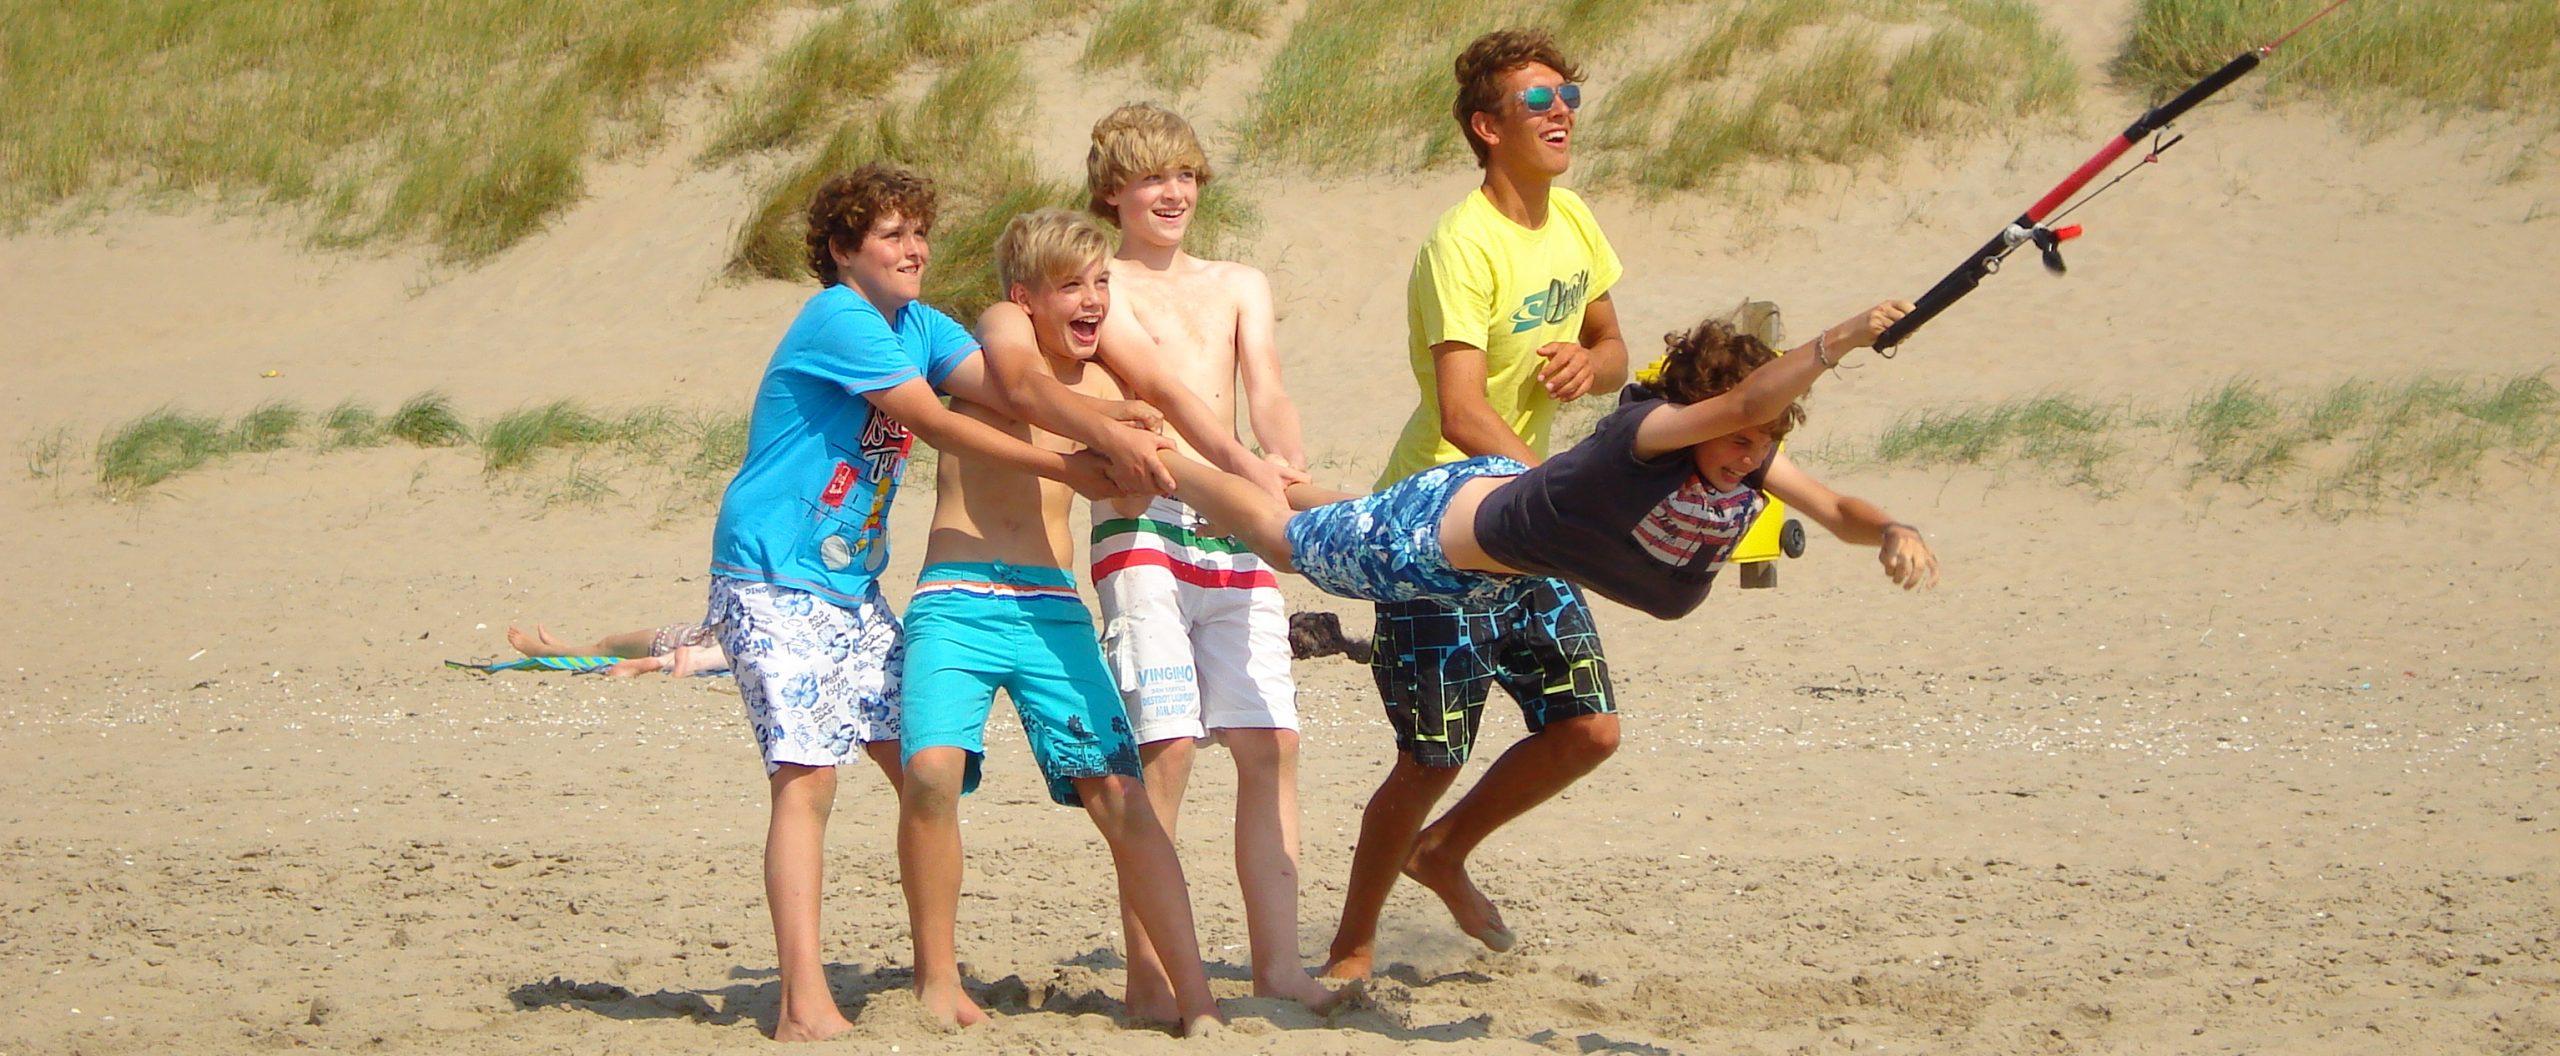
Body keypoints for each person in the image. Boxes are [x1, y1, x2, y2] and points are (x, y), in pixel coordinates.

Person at [700, 166, 1171, 1042]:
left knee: (918, 770)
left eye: (919, 232)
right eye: (890, 235)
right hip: (770, 572)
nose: (913, 249)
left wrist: (1114, 419)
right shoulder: (841, 318)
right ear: (843, 251)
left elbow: (1010, 388)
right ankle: (804, 1003)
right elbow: (943, 421)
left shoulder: (918, 324)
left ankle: (937, 979)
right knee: (806, 783)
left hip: (850, 586)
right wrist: (1081, 463)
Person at [1323, 26, 1632, 981]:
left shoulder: (1575, 219)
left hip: (1527, 518)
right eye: (1539, 103)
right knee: (1430, 756)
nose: (1562, 116)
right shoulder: (1459, 246)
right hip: (1435, 528)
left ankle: (1444, 852)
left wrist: (1592, 361)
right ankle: (1352, 945)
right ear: (1485, 127)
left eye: (1568, 97)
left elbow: (1617, 347)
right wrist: (1564, 500)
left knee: (1588, 729)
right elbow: (1461, 412)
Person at [894, 208, 1224, 1036]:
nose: (1092, 300)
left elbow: (1141, 486)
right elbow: (1023, 385)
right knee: (931, 773)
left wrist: (1147, 449)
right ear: (1025, 298)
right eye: (1072, 285)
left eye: (1102, 283)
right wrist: (1112, 431)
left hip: (1051, 607)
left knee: (1121, 793)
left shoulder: (1112, 391)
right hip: (955, 595)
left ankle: (1197, 1000)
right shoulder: (991, 350)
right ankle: (937, 979)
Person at [1162, 299, 1939, 617]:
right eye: (1740, 437)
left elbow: (1838, 512)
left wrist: (1894, 528)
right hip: (1435, 544)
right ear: (1701, 416)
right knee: (1282, 547)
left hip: (1493, 534)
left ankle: (1290, 483)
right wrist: (1841, 338)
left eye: (1764, 443)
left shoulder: (1742, 454)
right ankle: (1161, 457)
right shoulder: (1653, 435)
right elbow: (1743, 407)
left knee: (1347, 510)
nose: (1750, 453)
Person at [1079, 102, 1340, 1014]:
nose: (1174, 191)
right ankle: (1151, 974)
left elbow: (1265, 390)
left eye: (1185, 174)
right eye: (1153, 176)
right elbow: (1143, 397)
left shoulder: (1238, 281)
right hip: (1143, 522)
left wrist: (1284, 464)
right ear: (1112, 191)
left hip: (1230, 524)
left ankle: (1279, 966)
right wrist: (1234, 472)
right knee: (1169, 746)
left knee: (1270, 741)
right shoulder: (1095, 282)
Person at [505, 622, 727, 677]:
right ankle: (564, 650)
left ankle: (543, 652)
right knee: (604, 647)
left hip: (685, 638)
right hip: (696, 642)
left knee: (606, 646)